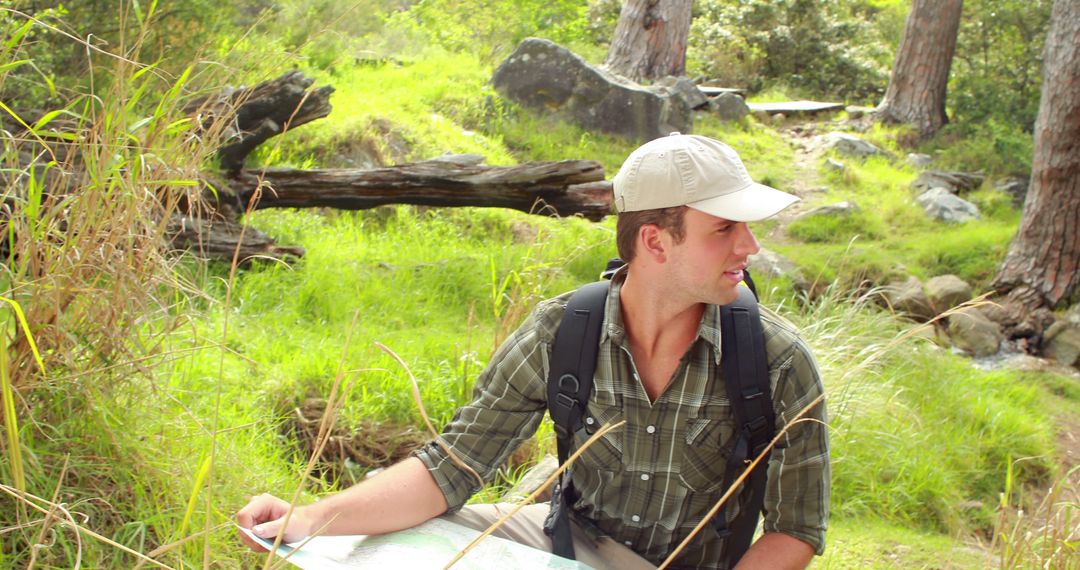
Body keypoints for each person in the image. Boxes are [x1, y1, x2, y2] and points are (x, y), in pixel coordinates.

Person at [237, 133, 830, 570]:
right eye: (724, 228)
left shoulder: (776, 360)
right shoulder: (561, 332)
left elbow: (796, 530)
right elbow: (453, 467)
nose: (749, 246)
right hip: (564, 544)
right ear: (655, 241)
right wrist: (312, 516)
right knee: (378, 551)